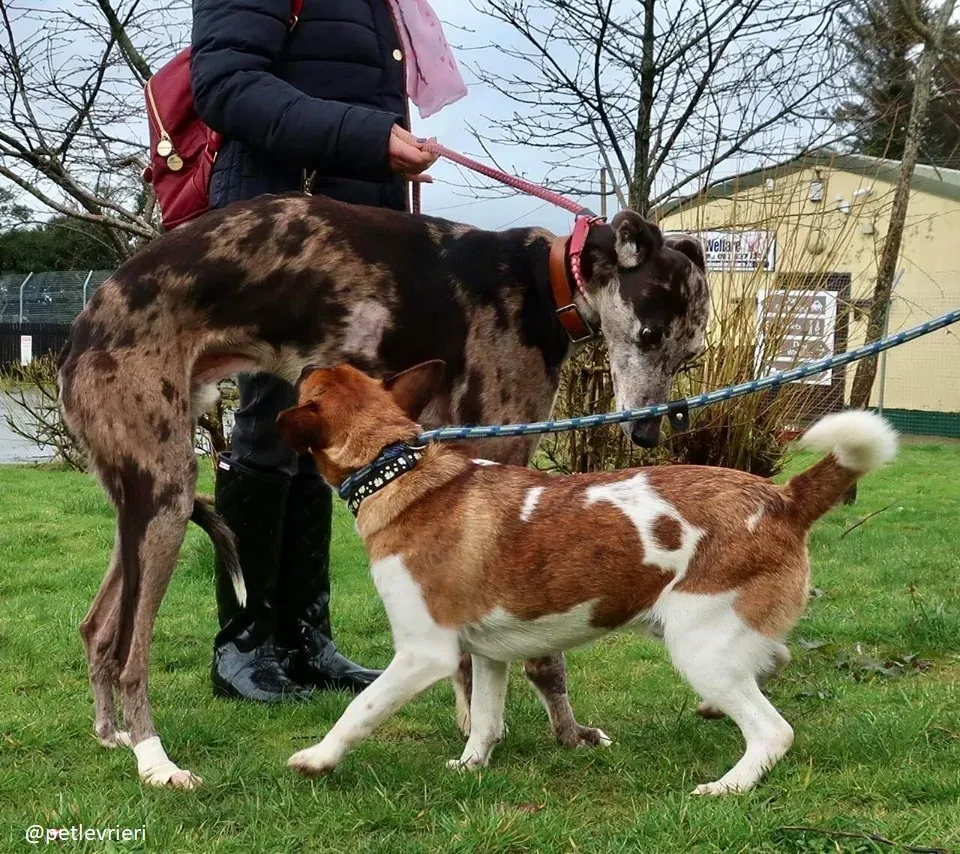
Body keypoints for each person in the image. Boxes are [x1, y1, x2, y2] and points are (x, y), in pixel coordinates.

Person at [190, 0, 466, 702]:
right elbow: (223, 85)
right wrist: (371, 135)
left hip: (350, 232)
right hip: (277, 230)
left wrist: (383, 178)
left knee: (325, 428)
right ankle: (243, 646)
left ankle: (305, 639)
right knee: (268, 425)